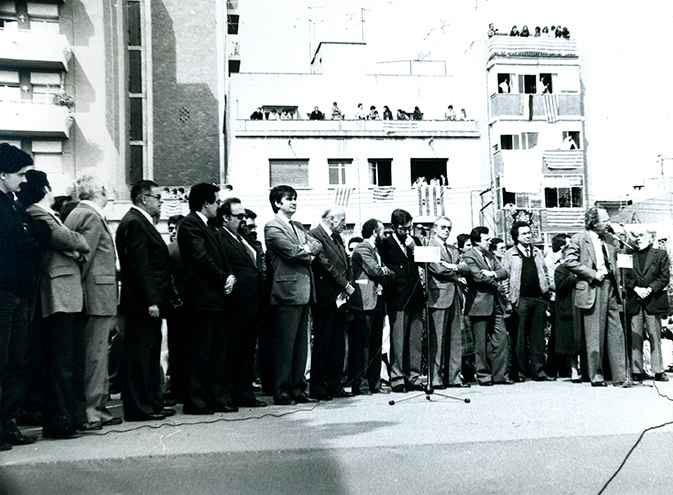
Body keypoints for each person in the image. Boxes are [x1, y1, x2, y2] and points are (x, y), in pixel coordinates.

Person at [21, 170, 92, 438]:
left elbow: (69, 242)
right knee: (61, 361)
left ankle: (71, 417)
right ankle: (61, 421)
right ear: (45, 189)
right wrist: (75, 247)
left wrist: (74, 249)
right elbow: (69, 239)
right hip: (57, 295)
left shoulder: (50, 216)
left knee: (70, 359)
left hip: (66, 294)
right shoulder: (37, 213)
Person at [0, 150, 50, 449]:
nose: (23, 179)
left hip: (19, 292)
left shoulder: (15, 204)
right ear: (3, 174)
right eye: (19, 174)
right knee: (2, 362)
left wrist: (26, 238)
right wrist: (26, 238)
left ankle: (8, 424)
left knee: (16, 362)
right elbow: (19, 241)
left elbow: (36, 235)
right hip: (4, 292)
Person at [64, 175, 122, 428]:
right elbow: (84, 259)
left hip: (95, 295)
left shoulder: (82, 213)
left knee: (94, 355)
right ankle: (93, 412)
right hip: (97, 296)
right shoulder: (90, 215)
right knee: (96, 356)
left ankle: (95, 409)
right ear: (98, 190)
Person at [116, 180, 175, 421]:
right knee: (140, 356)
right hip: (143, 303)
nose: (160, 202)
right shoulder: (135, 223)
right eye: (157, 197)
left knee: (149, 356)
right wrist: (151, 300)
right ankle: (140, 407)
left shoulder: (140, 222)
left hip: (148, 301)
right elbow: (139, 266)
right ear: (144, 198)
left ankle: (151, 403)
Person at [178, 183, 236, 414]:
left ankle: (215, 397)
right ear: (206, 203)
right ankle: (195, 400)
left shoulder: (210, 226)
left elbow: (222, 256)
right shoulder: (190, 225)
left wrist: (230, 275)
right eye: (217, 202)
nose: (219, 206)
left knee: (216, 352)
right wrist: (224, 278)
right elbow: (201, 259)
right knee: (200, 352)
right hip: (200, 300)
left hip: (216, 299)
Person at [264, 185, 322, 405]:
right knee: (286, 345)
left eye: (295, 199)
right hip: (287, 292)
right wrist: (306, 250)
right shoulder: (272, 226)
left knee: (300, 345)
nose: (294, 202)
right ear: (278, 203)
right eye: (289, 199)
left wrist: (305, 249)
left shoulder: (297, 225)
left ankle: (298, 388)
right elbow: (290, 251)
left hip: (304, 291)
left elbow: (316, 245)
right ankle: (282, 390)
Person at [564, 207, 630, 387]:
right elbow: (569, 261)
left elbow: (621, 259)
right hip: (593, 286)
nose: (608, 222)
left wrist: (624, 239)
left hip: (611, 287)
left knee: (616, 332)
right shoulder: (579, 238)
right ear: (594, 222)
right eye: (605, 220)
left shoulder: (609, 238)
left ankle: (620, 376)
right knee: (595, 335)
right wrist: (592, 274)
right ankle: (597, 375)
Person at [217, 198, 268, 407]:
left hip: (251, 304)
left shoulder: (242, 239)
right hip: (235, 305)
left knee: (246, 351)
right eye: (239, 217)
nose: (244, 220)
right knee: (232, 352)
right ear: (227, 218)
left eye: (244, 216)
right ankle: (229, 395)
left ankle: (245, 394)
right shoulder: (221, 237)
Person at [309, 207, 355, 400]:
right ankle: (318, 387)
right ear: (330, 219)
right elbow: (325, 264)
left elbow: (344, 263)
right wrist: (345, 285)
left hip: (340, 298)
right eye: (342, 220)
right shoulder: (315, 235)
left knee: (337, 343)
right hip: (325, 298)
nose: (344, 224)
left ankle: (334, 385)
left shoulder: (337, 237)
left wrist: (346, 285)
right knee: (323, 343)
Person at [380, 209, 425, 392]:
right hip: (397, 298)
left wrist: (414, 248)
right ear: (393, 227)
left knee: (414, 341)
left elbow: (427, 264)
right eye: (402, 228)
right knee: (398, 341)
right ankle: (397, 376)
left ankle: (413, 376)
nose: (406, 232)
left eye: (409, 227)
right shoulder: (386, 244)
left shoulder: (416, 242)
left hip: (415, 297)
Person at [501, 222, 552, 382]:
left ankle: (538, 371)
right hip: (520, 299)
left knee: (538, 337)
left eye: (529, 233)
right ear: (516, 237)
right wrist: (508, 299)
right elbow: (505, 279)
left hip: (538, 298)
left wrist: (546, 292)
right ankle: (520, 372)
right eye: (524, 233)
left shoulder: (537, 252)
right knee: (520, 338)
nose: (528, 236)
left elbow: (544, 271)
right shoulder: (509, 255)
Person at [349, 219, 394, 395]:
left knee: (375, 344)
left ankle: (374, 383)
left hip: (376, 301)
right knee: (363, 345)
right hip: (364, 303)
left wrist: (384, 270)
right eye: (383, 231)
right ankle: (360, 384)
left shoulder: (375, 250)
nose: (384, 235)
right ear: (375, 232)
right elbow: (375, 270)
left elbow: (380, 270)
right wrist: (386, 271)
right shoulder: (362, 248)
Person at [462, 226, 511, 386]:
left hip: (495, 303)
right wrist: (496, 283)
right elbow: (477, 277)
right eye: (486, 239)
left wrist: (494, 274)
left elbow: (504, 271)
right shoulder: (468, 255)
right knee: (480, 343)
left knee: (501, 339)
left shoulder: (490, 255)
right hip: (479, 304)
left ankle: (500, 375)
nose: (489, 242)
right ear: (476, 241)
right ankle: (483, 376)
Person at [427, 216, 470, 388]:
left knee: (454, 339)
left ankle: (454, 377)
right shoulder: (430, 246)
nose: (446, 230)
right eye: (443, 227)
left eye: (449, 228)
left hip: (454, 295)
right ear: (435, 228)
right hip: (438, 296)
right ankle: (435, 379)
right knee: (437, 339)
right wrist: (455, 271)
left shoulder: (453, 249)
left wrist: (452, 267)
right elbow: (436, 268)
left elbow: (466, 267)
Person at [623, 227, 670, 382]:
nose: (638, 238)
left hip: (653, 301)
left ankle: (658, 370)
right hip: (635, 300)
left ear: (650, 238)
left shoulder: (661, 254)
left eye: (642, 235)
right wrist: (636, 288)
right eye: (635, 235)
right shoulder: (628, 255)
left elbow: (664, 277)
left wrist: (649, 289)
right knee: (635, 336)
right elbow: (623, 276)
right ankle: (637, 371)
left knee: (654, 335)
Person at [165, 214, 188, 404]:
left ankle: (177, 390)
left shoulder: (170, 249)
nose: (171, 232)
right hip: (190, 304)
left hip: (175, 304)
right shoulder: (192, 248)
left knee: (176, 350)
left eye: (174, 228)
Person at [554, 246, 582, 382]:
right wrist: (574, 276)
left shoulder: (585, 267)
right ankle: (573, 370)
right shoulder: (561, 269)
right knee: (571, 343)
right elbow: (560, 285)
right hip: (568, 309)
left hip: (582, 307)